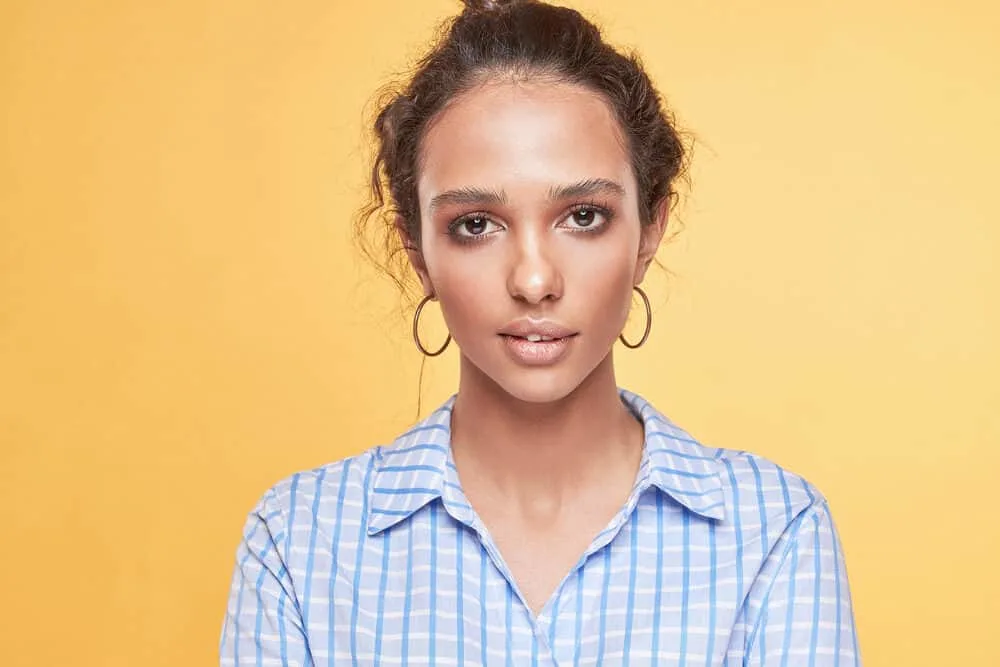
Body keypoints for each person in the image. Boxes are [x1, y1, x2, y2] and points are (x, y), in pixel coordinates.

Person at [219, 0, 861, 664]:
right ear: (416, 249)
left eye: (583, 215)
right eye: (475, 224)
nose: (533, 279)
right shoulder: (299, 542)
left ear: (650, 229)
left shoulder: (774, 531)